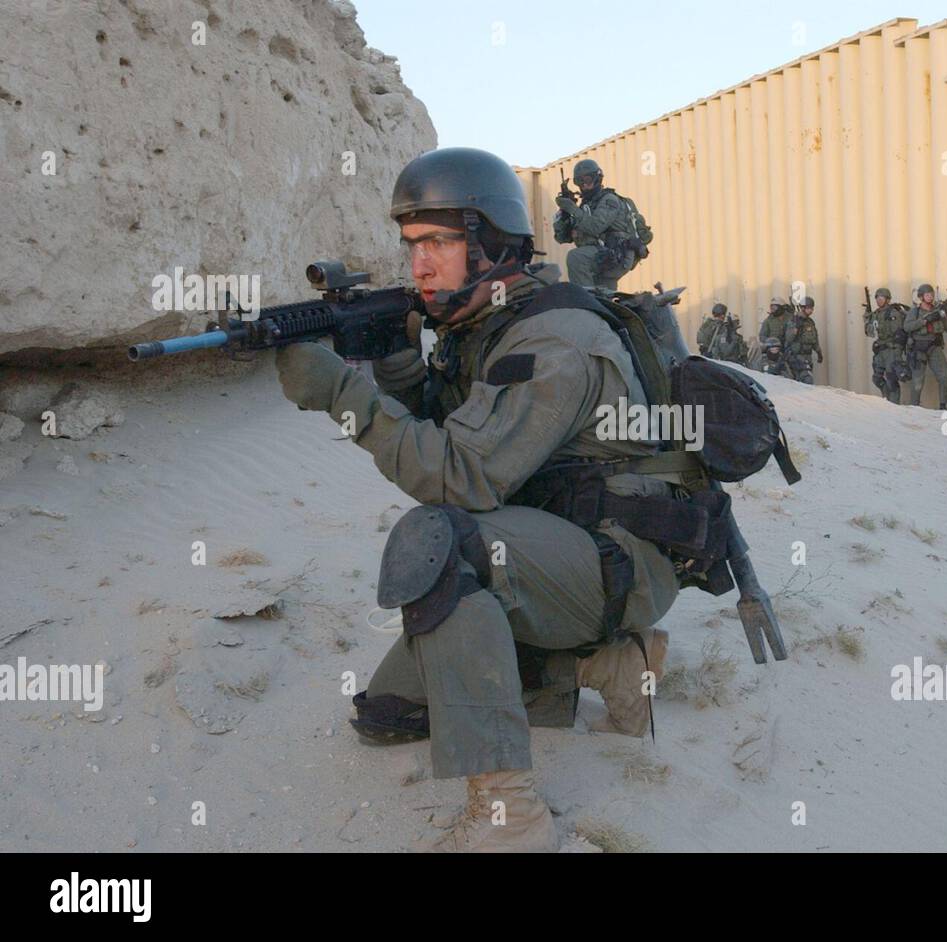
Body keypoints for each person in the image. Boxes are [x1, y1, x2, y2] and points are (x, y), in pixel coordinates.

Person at [275, 147, 680, 852]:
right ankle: (610, 667)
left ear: (492, 244)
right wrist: (398, 362)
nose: (420, 265)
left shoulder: (554, 338)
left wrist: (344, 395)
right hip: (548, 543)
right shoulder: (486, 324)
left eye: (438, 243)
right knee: (391, 714)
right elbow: (451, 424)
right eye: (411, 247)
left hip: (619, 560)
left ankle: (509, 816)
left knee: (443, 539)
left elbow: (459, 476)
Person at [552, 158, 640, 289]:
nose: (584, 185)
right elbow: (562, 238)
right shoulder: (586, 206)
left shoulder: (609, 200)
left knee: (576, 257)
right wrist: (564, 214)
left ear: (597, 178)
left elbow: (595, 227)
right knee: (605, 297)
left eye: (587, 180)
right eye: (579, 182)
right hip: (603, 255)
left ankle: (585, 302)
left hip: (617, 253)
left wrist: (572, 208)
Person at [903, 283, 947, 409]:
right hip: (919, 349)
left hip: (935, 347)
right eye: (927, 295)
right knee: (917, 381)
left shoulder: (938, 311)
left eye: (931, 294)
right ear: (921, 297)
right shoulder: (915, 312)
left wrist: (946, 316)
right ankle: (914, 407)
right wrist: (924, 321)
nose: (930, 297)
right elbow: (907, 327)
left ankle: (943, 405)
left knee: (944, 377)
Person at [865, 287, 911, 404]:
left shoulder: (893, 313)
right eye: (877, 298)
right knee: (877, 378)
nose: (879, 300)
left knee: (892, 379)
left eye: (881, 298)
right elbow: (870, 333)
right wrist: (867, 318)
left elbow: (896, 332)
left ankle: (894, 404)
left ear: (887, 299)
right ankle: (887, 399)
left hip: (892, 349)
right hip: (880, 350)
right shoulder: (875, 314)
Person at [787, 296, 824, 384]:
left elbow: (814, 339)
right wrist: (795, 329)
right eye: (809, 308)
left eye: (812, 308)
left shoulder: (810, 322)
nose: (811, 310)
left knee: (806, 379)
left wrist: (819, 353)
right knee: (805, 380)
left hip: (808, 357)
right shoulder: (794, 321)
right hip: (796, 356)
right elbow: (789, 338)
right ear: (803, 308)